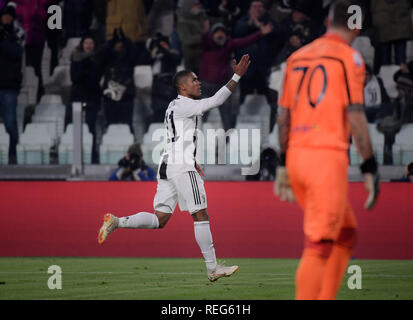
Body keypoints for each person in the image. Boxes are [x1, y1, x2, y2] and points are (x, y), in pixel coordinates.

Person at [98, 54, 251, 282]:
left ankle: (117, 221)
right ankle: (212, 268)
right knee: (200, 214)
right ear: (182, 86)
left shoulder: (175, 106)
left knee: (160, 219)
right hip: (181, 164)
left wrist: (193, 159)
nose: (199, 83)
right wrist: (237, 75)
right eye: (194, 80)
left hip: (169, 163)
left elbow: (181, 136)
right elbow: (217, 101)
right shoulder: (186, 104)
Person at [273, 0, 380, 300]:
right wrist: (369, 166)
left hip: (297, 156)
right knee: (319, 243)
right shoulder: (351, 58)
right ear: (356, 26)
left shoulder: (296, 58)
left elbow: (283, 117)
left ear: (327, 22)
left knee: (345, 234)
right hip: (326, 159)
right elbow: (356, 116)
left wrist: (282, 163)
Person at [200, 20, 273, 131]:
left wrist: (260, 34)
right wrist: (205, 33)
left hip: (222, 87)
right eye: (217, 33)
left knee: (227, 117)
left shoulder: (229, 44)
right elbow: (203, 38)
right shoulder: (208, 44)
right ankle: (193, 139)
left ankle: (228, 140)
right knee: (201, 117)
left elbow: (245, 41)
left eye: (222, 33)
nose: (220, 35)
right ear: (212, 35)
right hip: (206, 87)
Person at [67, 35, 102, 164]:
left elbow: (96, 77)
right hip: (77, 97)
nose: (88, 45)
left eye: (91, 42)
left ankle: (93, 156)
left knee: (91, 128)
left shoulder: (98, 58)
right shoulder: (75, 58)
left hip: (93, 97)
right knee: (73, 127)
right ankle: (74, 157)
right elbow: (75, 77)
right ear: (82, 44)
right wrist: (86, 65)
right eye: (86, 42)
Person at [0, 1, 24, 164]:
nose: (6, 19)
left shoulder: (18, 32)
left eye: (9, 16)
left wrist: (3, 42)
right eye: (4, 16)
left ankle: (13, 154)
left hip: (10, 86)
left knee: (10, 122)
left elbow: (16, 52)